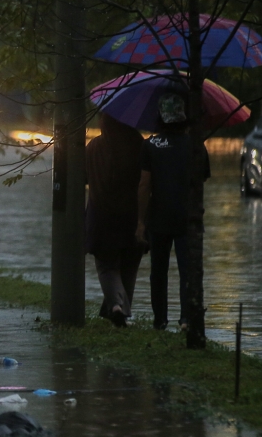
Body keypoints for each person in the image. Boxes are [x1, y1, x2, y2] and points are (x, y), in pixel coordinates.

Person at [136, 93, 211, 330]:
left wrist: (140, 221)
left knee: (158, 272)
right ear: (184, 118)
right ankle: (187, 320)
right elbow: (202, 181)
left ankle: (160, 320)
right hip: (188, 218)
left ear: (160, 117)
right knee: (188, 272)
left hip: (158, 218)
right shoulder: (197, 147)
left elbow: (144, 185)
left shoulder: (150, 145)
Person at [85, 113, 145, 327]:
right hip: (131, 215)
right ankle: (117, 310)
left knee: (107, 267)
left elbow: (83, 177)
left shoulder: (93, 147)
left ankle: (116, 307)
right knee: (129, 266)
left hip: (101, 217)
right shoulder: (137, 144)